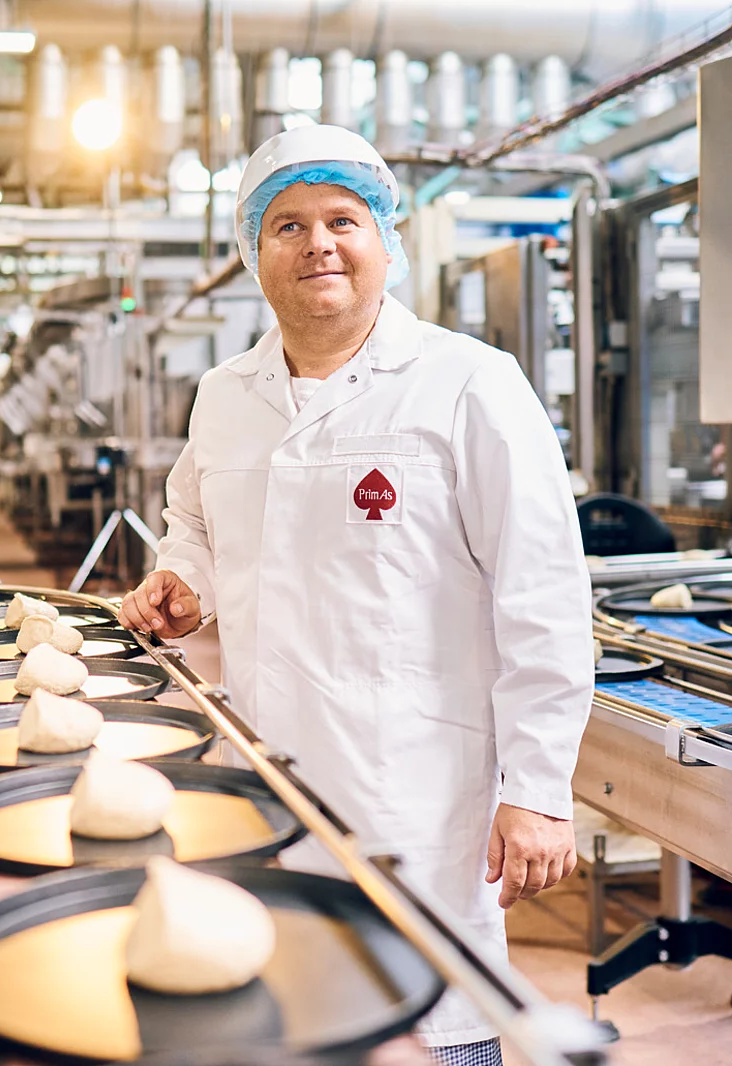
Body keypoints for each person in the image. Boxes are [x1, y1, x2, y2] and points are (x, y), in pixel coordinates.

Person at [119, 125, 595, 1065]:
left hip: (417, 788)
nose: (318, 244)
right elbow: (196, 522)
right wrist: (185, 583)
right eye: (287, 226)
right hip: (269, 775)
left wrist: (539, 790)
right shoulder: (226, 393)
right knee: (297, 1014)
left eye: (342, 219)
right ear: (255, 251)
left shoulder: (470, 385)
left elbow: (541, 595)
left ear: (385, 240)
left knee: (432, 1016)